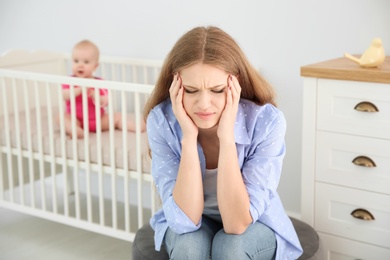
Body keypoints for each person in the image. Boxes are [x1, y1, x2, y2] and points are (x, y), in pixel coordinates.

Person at [143, 26, 303, 259]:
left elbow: (237, 224)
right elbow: (185, 220)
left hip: (253, 221)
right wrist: (189, 138)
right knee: (189, 247)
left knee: (230, 247)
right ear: (175, 87)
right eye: (191, 90)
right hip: (194, 218)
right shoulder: (161, 121)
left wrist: (227, 138)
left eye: (217, 90)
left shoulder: (267, 122)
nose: (204, 104)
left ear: (234, 85)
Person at [61, 40, 145, 138]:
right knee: (61, 117)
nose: (80, 65)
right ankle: (75, 130)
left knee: (117, 116)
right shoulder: (69, 81)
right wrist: (79, 90)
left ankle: (137, 127)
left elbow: (106, 101)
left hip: (97, 120)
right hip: (76, 120)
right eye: (76, 61)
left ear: (95, 66)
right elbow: (64, 95)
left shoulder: (99, 82)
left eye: (86, 62)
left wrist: (95, 96)